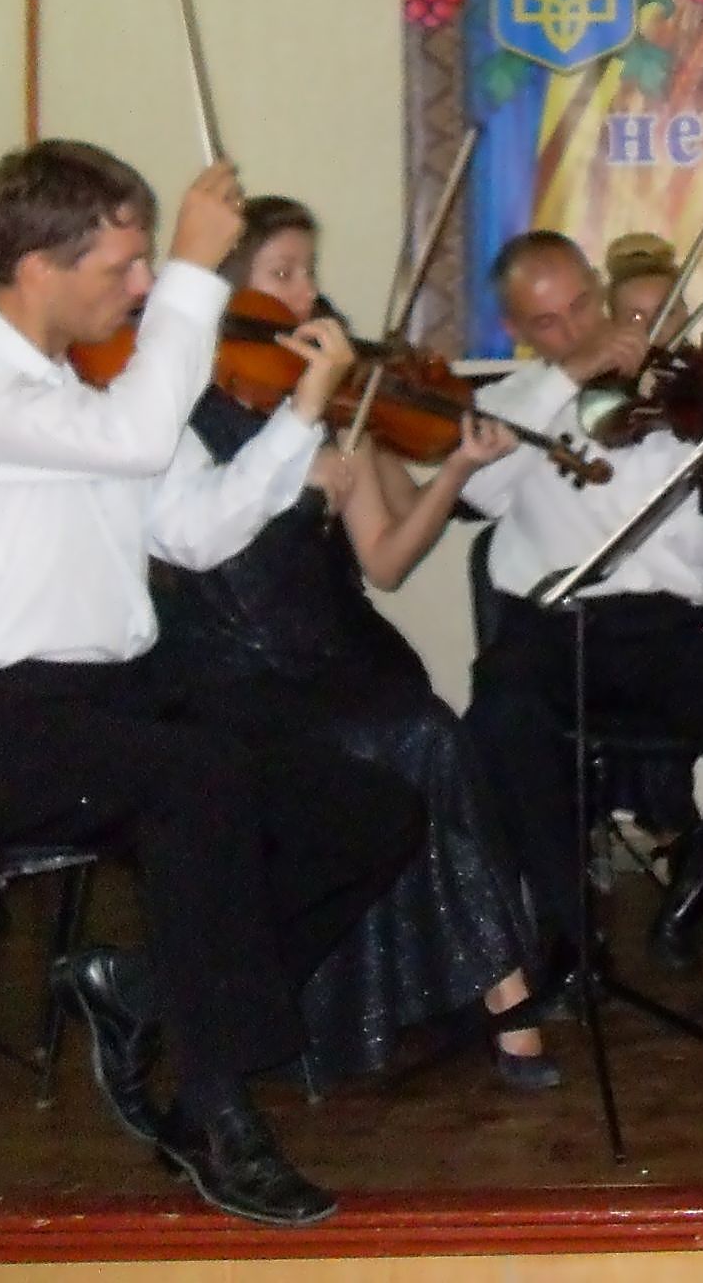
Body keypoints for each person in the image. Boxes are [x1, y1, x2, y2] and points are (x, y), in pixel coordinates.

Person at [0, 142, 422, 1227]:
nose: (140, 288)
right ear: (37, 266)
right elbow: (134, 443)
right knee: (195, 780)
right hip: (2, 726)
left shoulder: (97, 387)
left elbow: (203, 528)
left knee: (371, 812)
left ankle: (141, 993)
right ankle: (217, 1115)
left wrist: (304, 411)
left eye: (146, 268)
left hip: (120, 706)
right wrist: (189, 268)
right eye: (122, 268)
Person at [153, 197, 557, 1090]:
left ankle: (494, 984)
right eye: (283, 274)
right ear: (228, 293)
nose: (308, 295)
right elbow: (194, 545)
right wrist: (297, 482)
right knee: (422, 737)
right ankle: (506, 995)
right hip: (233, 672)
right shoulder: (175, 411)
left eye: (308, 271)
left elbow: (386, 560)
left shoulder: (334, 400)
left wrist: (455, 469)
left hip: (343, 653)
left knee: (428, 730)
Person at [460, 231, 703, 974]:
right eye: (550, 323)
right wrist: (569, 377)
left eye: (583, 306)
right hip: (550, 627)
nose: (577, 329)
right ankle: (568, 933)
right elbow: (478, 488)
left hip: (669, 630)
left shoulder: (682, 410)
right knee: (499, 720)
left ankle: (695, 891)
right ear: (520, 331)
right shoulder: (510, 405)